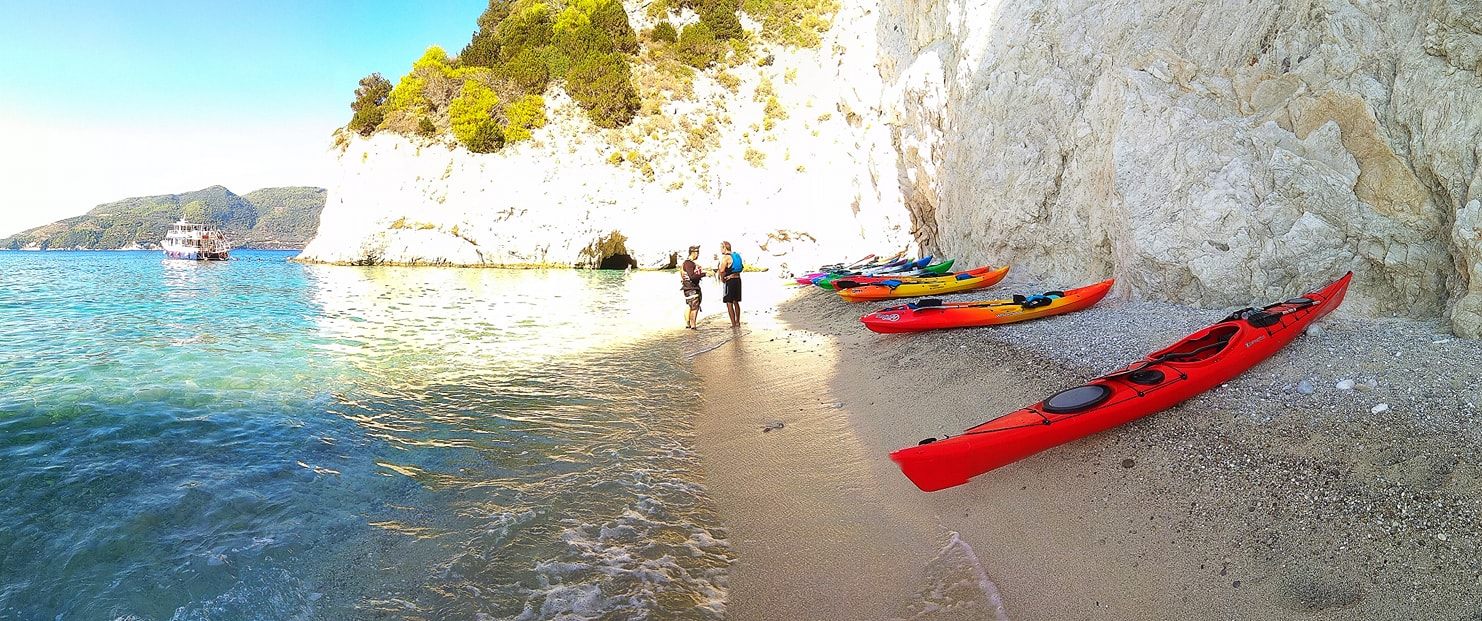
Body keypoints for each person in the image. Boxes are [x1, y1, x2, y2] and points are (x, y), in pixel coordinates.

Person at [717, 241, 742, 328]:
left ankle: (733, 324)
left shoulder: (726, 257)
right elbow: (740, 267)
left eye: (721, 248)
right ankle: (738, 322)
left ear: (724, 247)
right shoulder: (737, 255)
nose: (720, 250)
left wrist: (722, 279)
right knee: (736, 301)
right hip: (738, 279)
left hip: (730, 281)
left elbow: (722, 270)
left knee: (729, 302)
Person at [680, 245, 705, 329]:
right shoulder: (689, 263)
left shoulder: (686, 263)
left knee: (689, 306)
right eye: (698, 253)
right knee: (694, 307)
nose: (698, 255)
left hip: (687, 287)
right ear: (693, 253)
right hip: (692, 288)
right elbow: (692, 276)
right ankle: (693, 326)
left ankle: (688, 324)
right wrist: (704, 274)